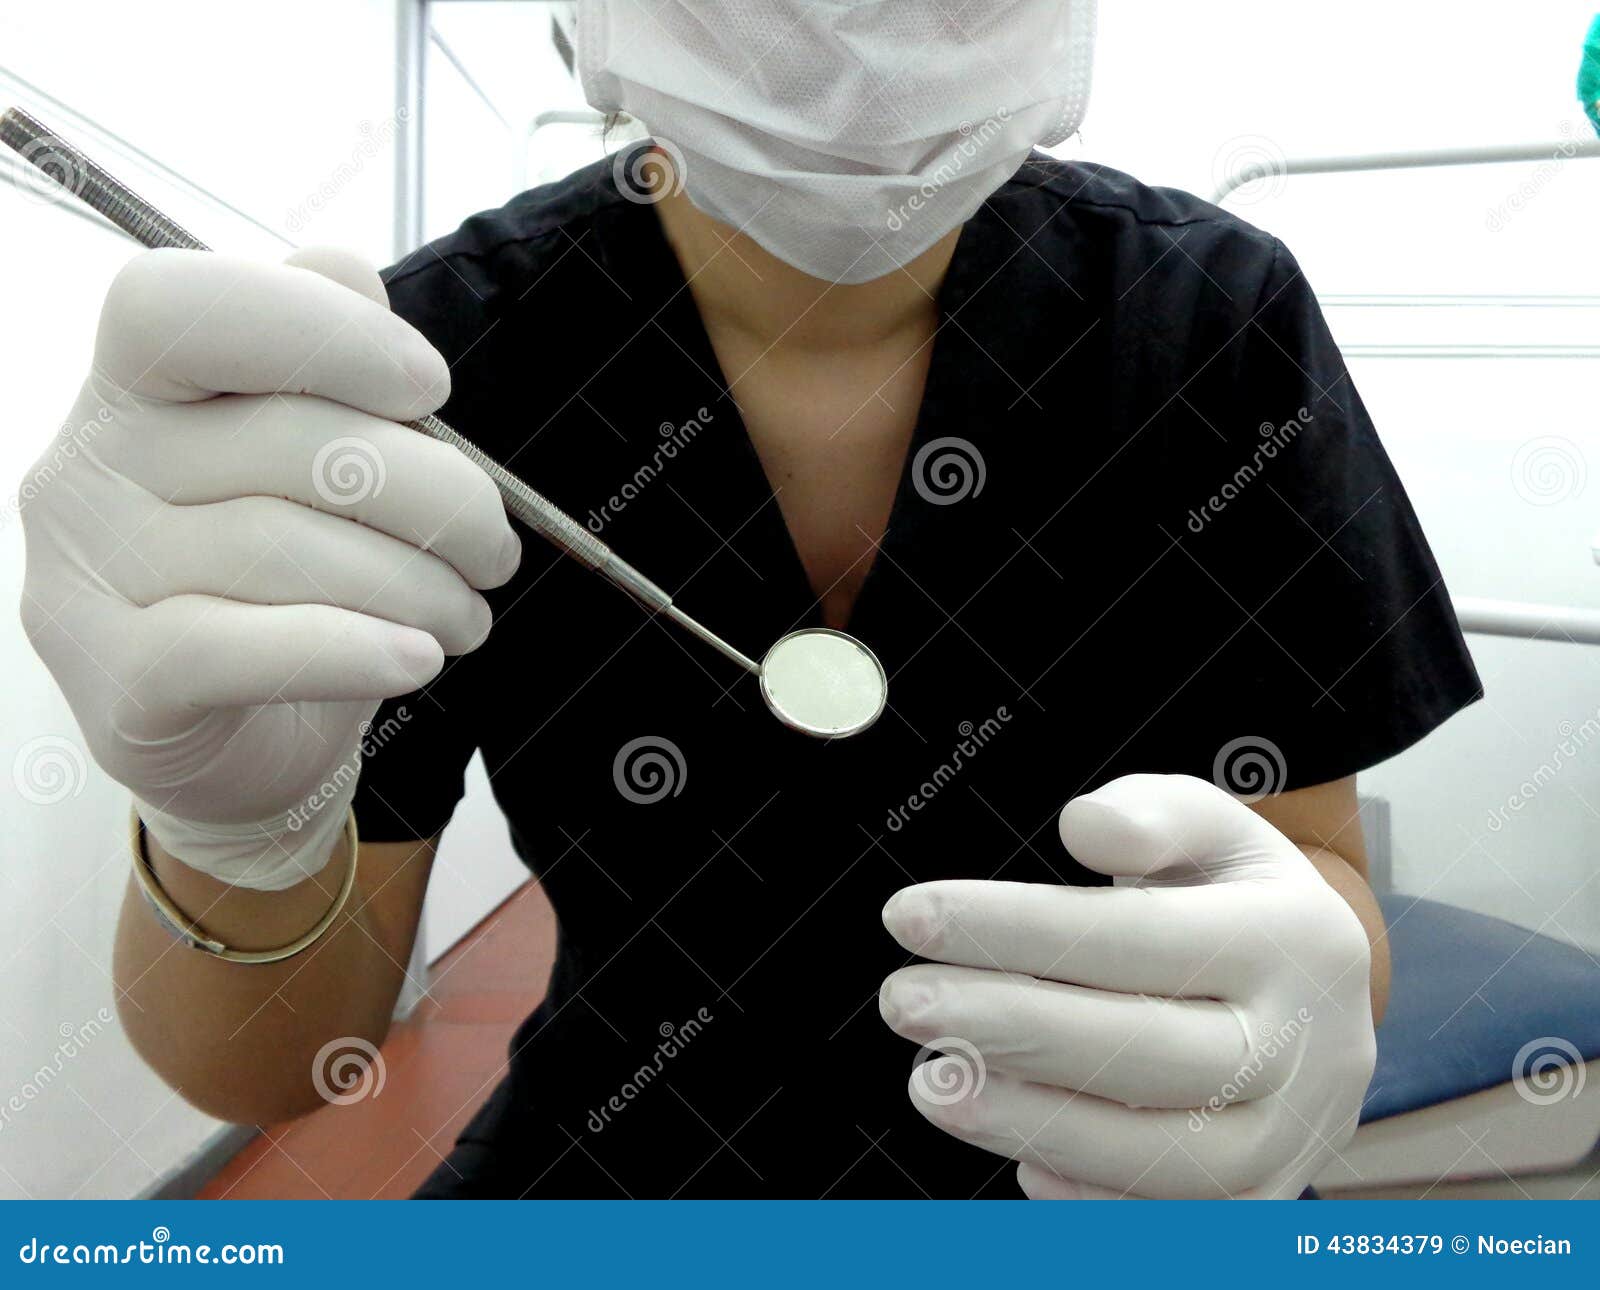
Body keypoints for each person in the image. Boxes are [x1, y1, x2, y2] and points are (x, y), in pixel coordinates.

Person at [20, 0, 1481, 1199]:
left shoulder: (1207, 325)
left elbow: (1311, 873)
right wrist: (234, 829)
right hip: (616, 1159)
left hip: (1076, 1171)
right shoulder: (430, 372)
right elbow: (281, 1068)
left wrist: (1287, 1021)